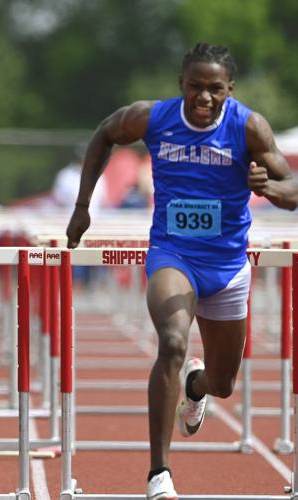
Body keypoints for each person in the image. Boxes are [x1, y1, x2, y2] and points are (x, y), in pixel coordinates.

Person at [65, 42, 298, 499]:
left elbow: (293, 186)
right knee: (172, 341)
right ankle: (159, 473)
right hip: (173, 254)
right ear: (181, 84)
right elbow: (105, 135)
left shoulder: (248, 126)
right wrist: (81, 207)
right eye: (195, 87)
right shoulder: (154, 118)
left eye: (215, 89)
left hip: (228, 264)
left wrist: (267, 186)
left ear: (229, 89)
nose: (204, 98)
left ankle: (197, 384)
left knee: (225, 384)